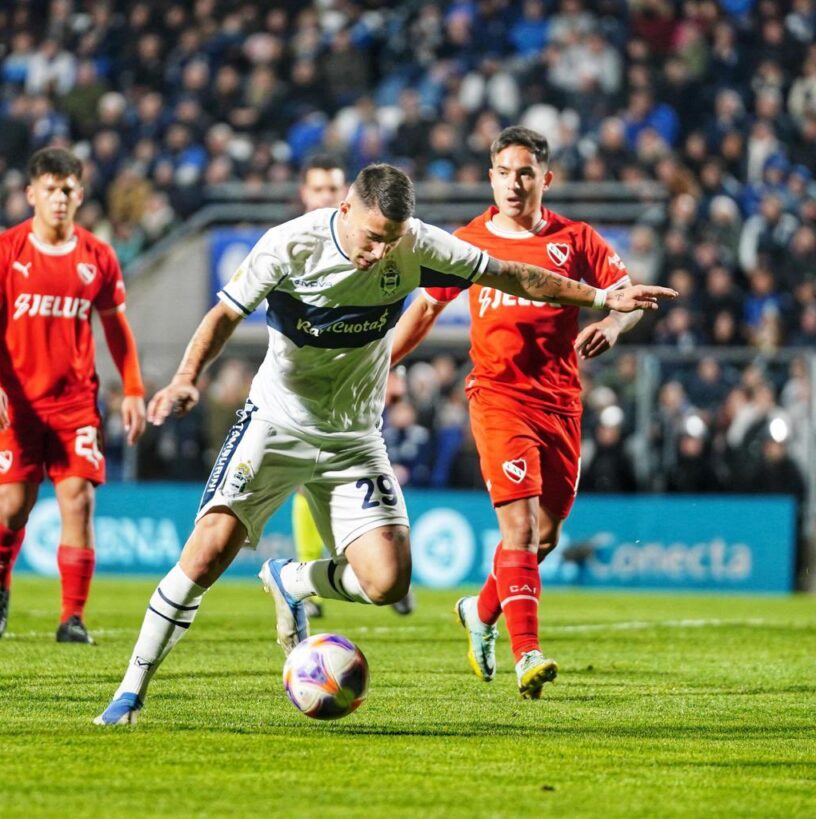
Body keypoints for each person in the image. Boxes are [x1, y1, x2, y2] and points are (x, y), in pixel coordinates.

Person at [94, 162, 675, 725]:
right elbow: (223, 315)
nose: (380, 253)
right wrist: (186, 378)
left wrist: (601, 300)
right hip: (277, 423)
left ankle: (292, 579)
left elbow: (512, 274)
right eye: (372, 238)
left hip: (353, 438)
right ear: (344, 209)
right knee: (207, 554)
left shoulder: (417, 244)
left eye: (391, 241)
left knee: (388, 581)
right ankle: (130, 692)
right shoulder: (289, 245)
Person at [391, 126, 648, 699]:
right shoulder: (468, 241)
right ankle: (526, 653)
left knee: (547, 536)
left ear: (545, 179)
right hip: (498, 396)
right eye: (504, 172)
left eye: (525, 172)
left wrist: (611, 322)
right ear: (491, 177)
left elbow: (626, 295)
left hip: (560, 403)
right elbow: (425, 310)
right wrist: (383, 363)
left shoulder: (576, 240)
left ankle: (480, 611)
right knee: (520, 528)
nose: (514, 183)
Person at [0, 147, 146, 645]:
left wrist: (132, 388)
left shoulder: (98, 257)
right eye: (49, 188)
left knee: (78, 499)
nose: (60, 198)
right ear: (31, 195)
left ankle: (72, 618)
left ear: (81, 194)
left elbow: (117, 330)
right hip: (15, 404)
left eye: (68, 189)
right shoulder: (4, 250)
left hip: (74, 404)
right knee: (13, 507)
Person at [290, 155, 411, 616]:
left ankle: (369, 564)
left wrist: (391, 370)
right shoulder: (293, 247)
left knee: (373, 477)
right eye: (318, 188)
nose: (325, 196)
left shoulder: (369, 243)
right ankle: (315, 569)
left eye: (333, 188)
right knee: (307, 482)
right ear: (305, 194)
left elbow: (384, 313)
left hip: (361, 391)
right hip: (307, 391)